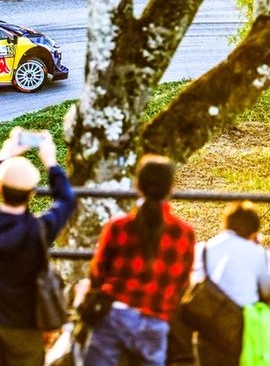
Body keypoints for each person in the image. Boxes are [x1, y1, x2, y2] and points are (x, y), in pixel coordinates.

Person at [0, 127, 76, 366]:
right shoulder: (41, 229)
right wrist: (52, 163)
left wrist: (3, 156)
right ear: (33, 194)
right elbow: (66, 199)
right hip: (24, 324)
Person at [84, 154, 195, 366]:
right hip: (156, 319)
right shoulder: (184, 233)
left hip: (115, 315)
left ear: (138, 185)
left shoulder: (119, 226)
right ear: (170, 188)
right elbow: (183, 283)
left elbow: (98, 272)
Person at [192, 201, 270, 366]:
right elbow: (268, 290)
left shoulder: (204, 248)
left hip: (208, 325)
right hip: (241, 327)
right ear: (253, 230)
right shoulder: (257, 252)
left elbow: (195, 284)